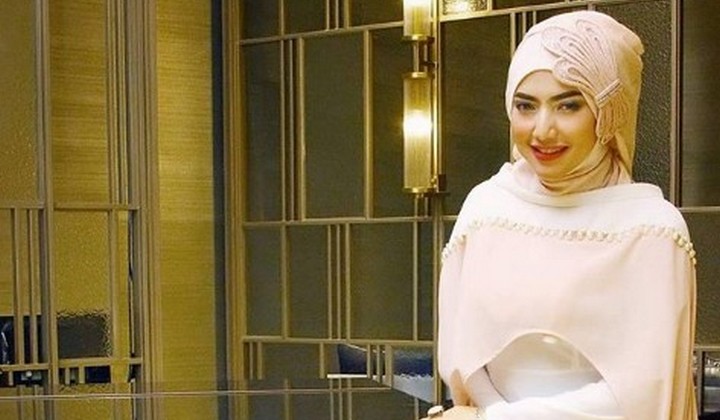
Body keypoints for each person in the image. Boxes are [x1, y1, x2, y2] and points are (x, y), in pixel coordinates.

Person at [428, 10, 698, 420]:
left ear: (608, 112)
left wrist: (495, 419)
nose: (542, 130)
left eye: (568, 105)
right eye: (525, 105)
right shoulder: (486, 208)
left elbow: (644, 393)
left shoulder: (651, 230)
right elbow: (463, 351)